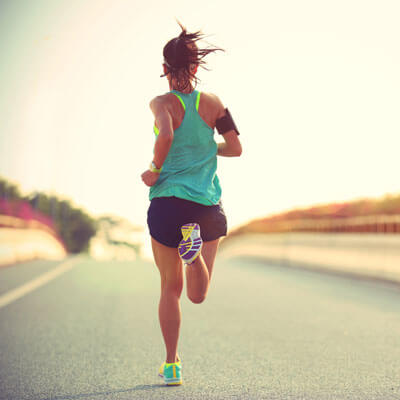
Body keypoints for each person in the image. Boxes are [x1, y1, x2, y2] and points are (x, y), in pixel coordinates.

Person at [141, 23, 242, 386]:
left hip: (168, 203)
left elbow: (166, 133)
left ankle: (171, 365)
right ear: (197, 68)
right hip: (205, 207)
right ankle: (193, 253)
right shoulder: (214, 104)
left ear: (165, 69)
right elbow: (236, 147)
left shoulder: (161, 103)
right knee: (198, 294)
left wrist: (155, 169)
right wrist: (207, 147)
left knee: (170, 288)